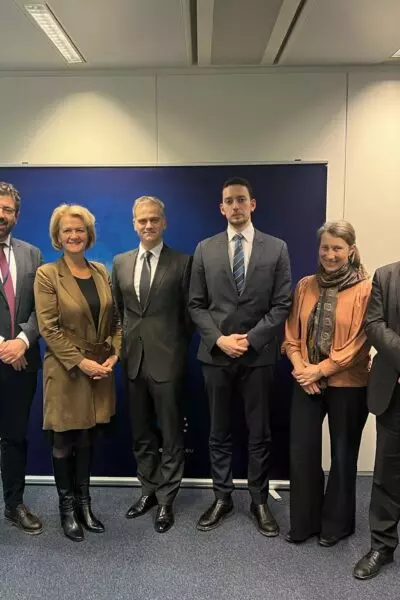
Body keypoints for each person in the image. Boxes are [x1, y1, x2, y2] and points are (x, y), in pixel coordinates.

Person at [189, 177, 292, 536]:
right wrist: (220, 340)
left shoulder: (276, 248)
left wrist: (251, 339)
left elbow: (282, 304)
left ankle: (259, 501)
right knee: (218, 431)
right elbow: (195, 304)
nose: (235, 206)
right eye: (229, 201)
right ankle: (222, 497)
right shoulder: (204, 249)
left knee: (259, 433)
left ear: (252, 204)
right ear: (222, 208)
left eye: (241, 200)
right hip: (216, 355)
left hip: (257, 356)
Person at [34, 204, 121, 542]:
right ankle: (67, 510)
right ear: (57, 236)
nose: (74, 235)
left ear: (89, 234)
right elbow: (49, 328)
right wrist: (82, 363)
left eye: (79, 230)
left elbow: (116, 321)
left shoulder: (100, 271)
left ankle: (85, 506)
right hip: (66, 370)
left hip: (100, 369)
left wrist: (115, 354)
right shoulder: (47, 274)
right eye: (67, 230)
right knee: (63, 440)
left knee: (86, 438)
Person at [283, 220, 371, 547]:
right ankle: (304, 523)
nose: (330, 255)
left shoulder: (365, 289)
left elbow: (360, 343)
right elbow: (291, 335)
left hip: (349, 383)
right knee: (302, 453)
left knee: (343, 455)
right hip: (305, 380)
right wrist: (301, 369)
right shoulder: (305, 286)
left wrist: (319, 370)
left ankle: (336, 525)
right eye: (325, 248)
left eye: (337, 248)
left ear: (351, 250)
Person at [112, 195, 192, 534]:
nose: (148, 225)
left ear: (164, 222)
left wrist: (174, 347)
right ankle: (148, 490)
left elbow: (189, 316)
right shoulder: (120, 262)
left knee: (171, 434)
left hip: (168, 361)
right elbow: (119, 311)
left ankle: (166, 500)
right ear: (134, 224)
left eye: (154, 219)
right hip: (132, 361)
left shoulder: (183, 263)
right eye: (142, 220)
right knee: (141, 432)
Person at [0, 182, 44, 535]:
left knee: (14, 436)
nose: (1, 215)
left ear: (16, 215)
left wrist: (23, 342)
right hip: (8, 352)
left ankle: (14, 504)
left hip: (22, 362)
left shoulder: (32, 254)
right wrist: (4, 345)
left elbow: (43, 308)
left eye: (7, 210)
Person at [353, 260, 400, 580]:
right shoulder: (386, 276)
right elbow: (374, 325)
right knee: (387, 472)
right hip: (393, 392)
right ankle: (382, 546)